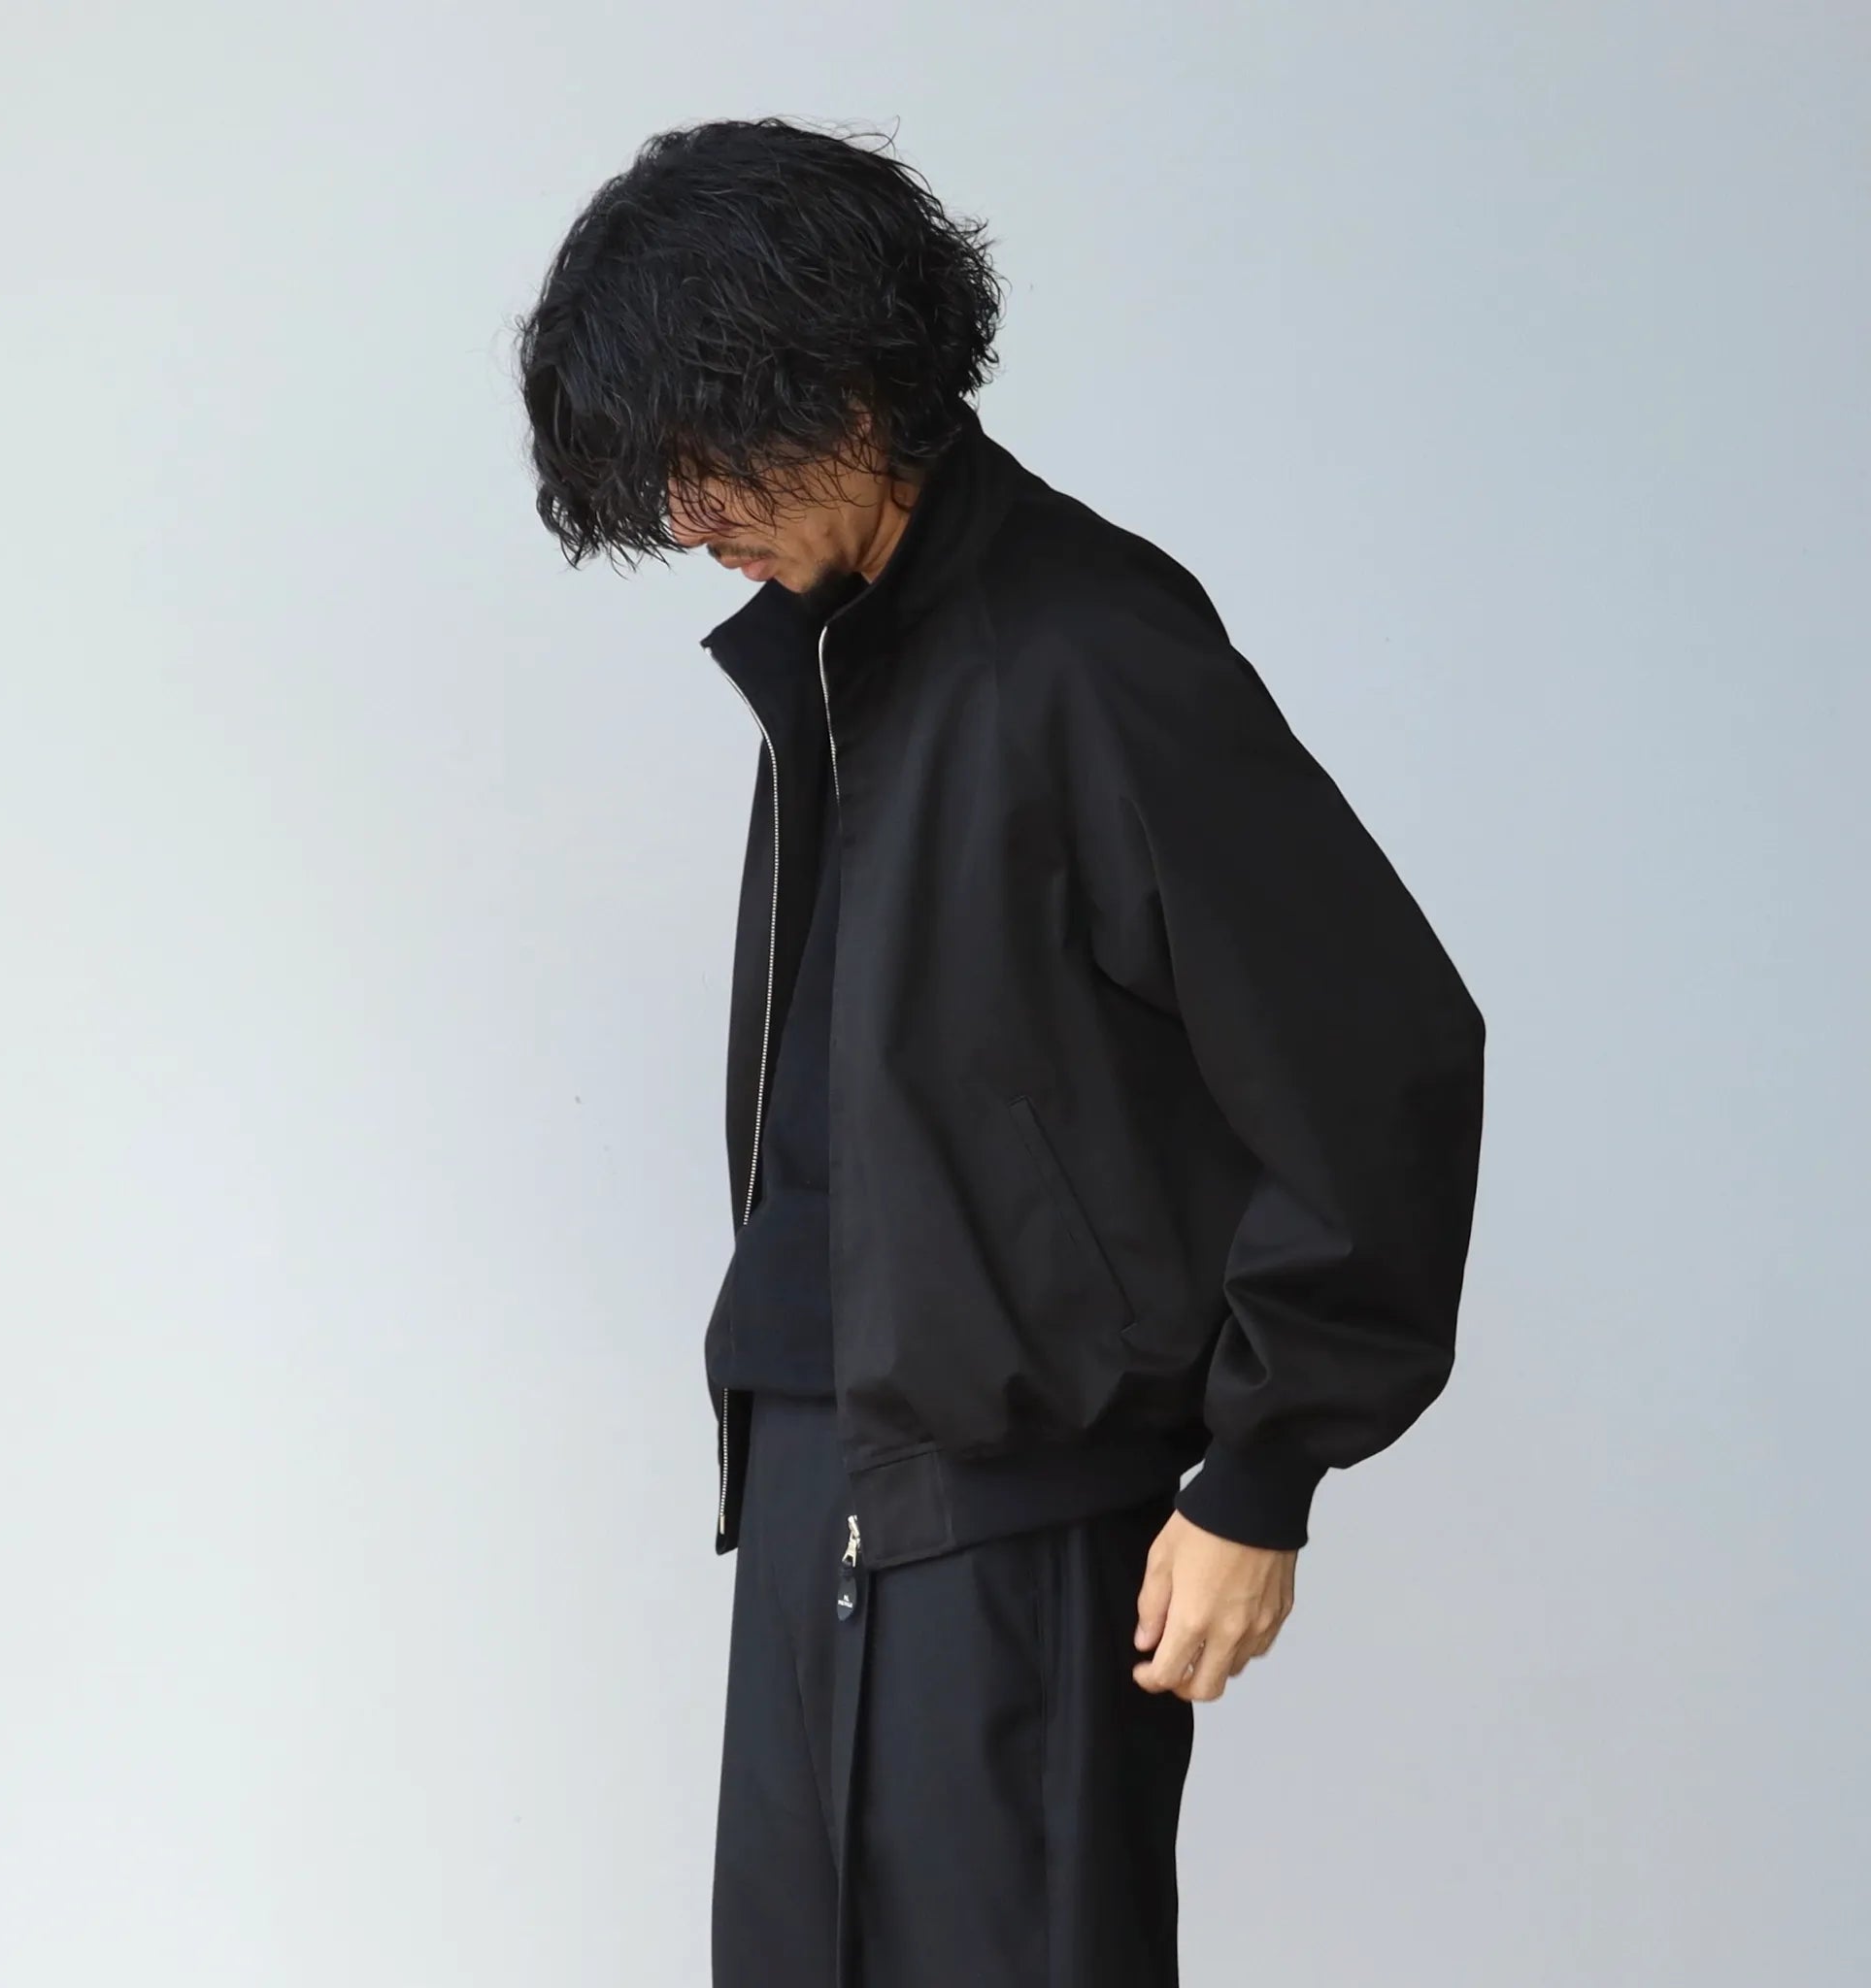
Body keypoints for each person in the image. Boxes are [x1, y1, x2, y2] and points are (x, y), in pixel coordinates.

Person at [516, 116, 1487, 1988]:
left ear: (841, 389)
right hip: (816, 1464)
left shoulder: (1087, 653)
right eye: (657, 481)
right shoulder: (840, 657)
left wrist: (1261, 1469)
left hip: (1016, 1509)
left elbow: (1379, 1053)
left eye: (706, 457)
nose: (687, 520)